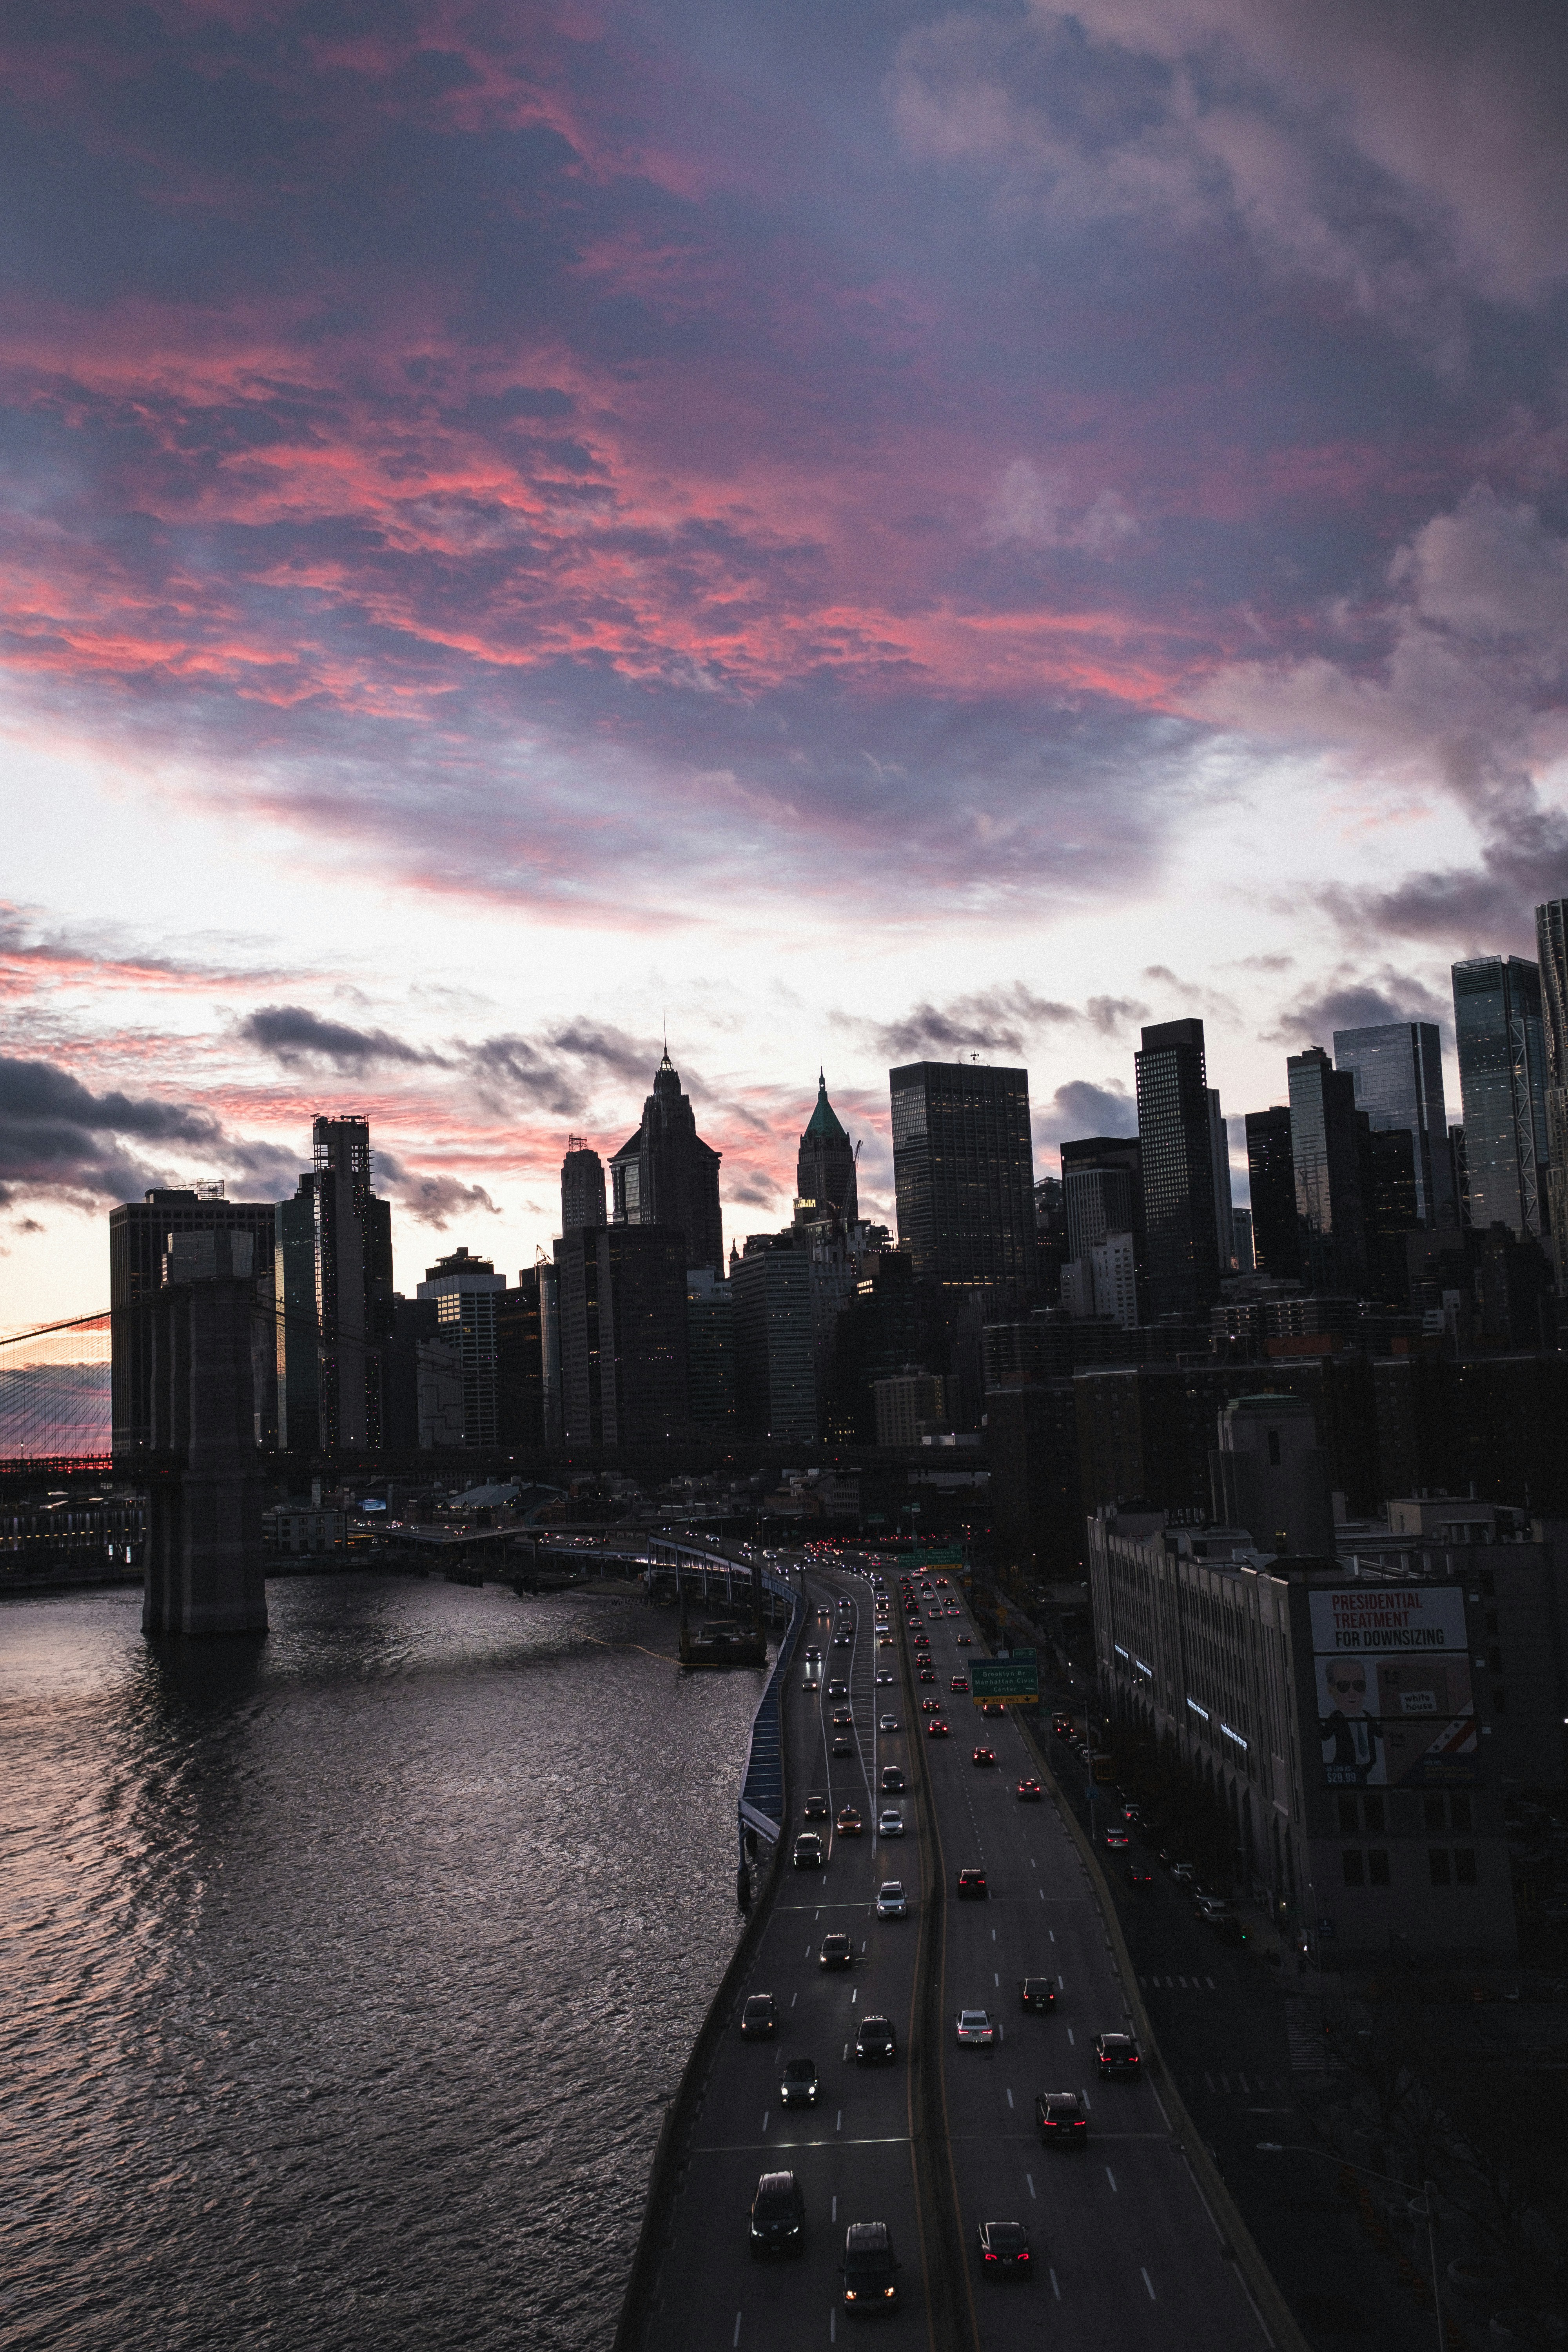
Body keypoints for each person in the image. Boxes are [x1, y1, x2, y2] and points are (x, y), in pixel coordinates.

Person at [1320, 1659, 1383, 1784]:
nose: (1352, 1693)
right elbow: (1325, 1735)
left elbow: (1380, 1733)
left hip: (1367, 1769)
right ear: (1331, 1690)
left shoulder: (1367, 1716)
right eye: (1344, 1687)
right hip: (1346, 1771)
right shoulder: (1337, 1717)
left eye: (1359, 1685)